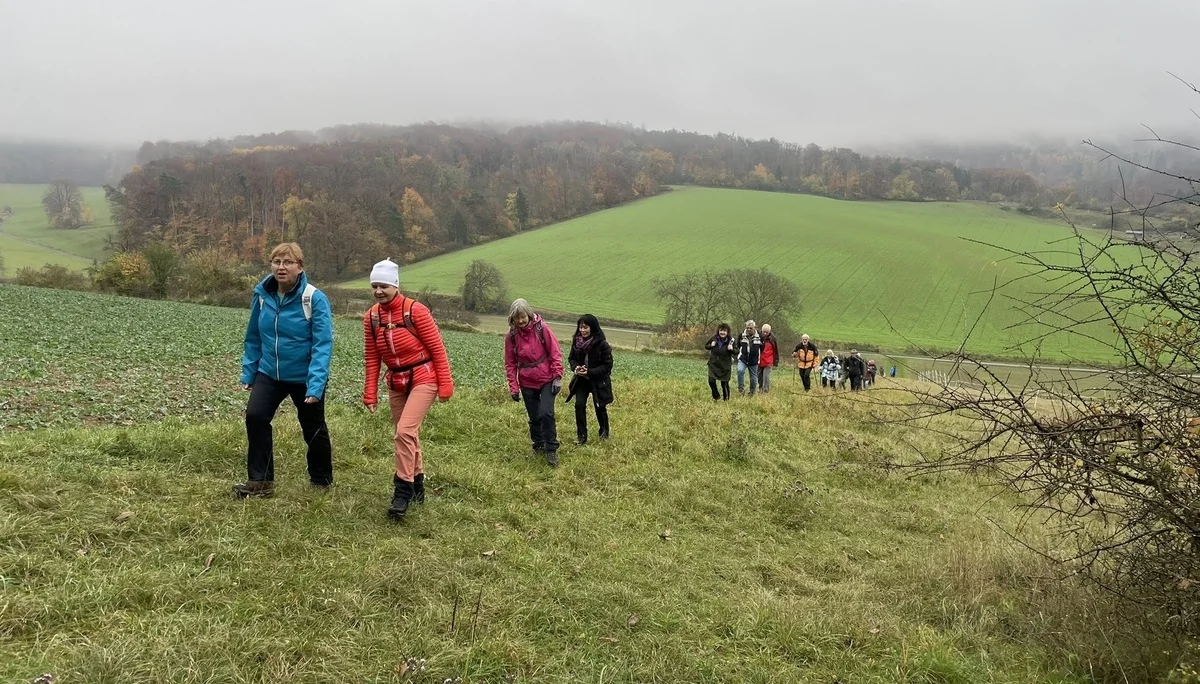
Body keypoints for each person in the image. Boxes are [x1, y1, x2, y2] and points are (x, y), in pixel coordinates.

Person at [235, 242, 334, 498]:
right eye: (277, 262)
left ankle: (321, 480)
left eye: (288, 262)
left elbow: (322, 344)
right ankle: (261, 481)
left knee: (312, 427)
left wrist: (315, 385)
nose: (281, 267)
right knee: (256, 417)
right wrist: (249, 372)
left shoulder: (313, 298)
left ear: (300, 268)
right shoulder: (262, 296)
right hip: (270, 373)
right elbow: (254, 336)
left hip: (304, 375)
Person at [362, 259, 455, 520]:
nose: (379, 291)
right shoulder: (371, 318)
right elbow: (372, 358)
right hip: (396, 381)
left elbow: (438, 348)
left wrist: (445, 384)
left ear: (395, 285)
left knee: (404, 431)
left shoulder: (415, 311)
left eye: (383, 286)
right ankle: (417, 487)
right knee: (407, 435)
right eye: (374, 286)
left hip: (424, 377)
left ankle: (402, 492)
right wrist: (370, 392)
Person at [504, 298, 564, 467]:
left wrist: (557, 376)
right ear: (512, 319)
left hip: (546, 378)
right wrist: (513, 387)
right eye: (517, 318)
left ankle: (551, 449)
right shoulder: (512, 336)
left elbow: (555, 352)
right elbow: (510, 363)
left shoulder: (542, 329)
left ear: (529, 315)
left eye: (523, 316)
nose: (521, 321)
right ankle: (538, 444)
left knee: (546, 413)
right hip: (526, 381)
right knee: (534, 416)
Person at [565, 314, 613, 444]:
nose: (582, 330)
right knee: (579, 405)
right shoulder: (576, 341)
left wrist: (590, 371)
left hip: (598, 381)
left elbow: (607, 366)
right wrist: (576, 368)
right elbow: (571, 359)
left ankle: (604, 433)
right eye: (580, 327)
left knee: (600, 407)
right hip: (581, 380)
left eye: (585, 327)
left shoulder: (602, 344)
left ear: (593, 328)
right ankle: (581, 437)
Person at [704, 323, 738, 401]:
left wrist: (732, 349)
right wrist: (711, 345)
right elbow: (706, 346)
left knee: (724, 384)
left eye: (724, 331)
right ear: (718, 331)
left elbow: (737, 351)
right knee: (711, 381)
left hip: (725, 366)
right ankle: (716, 396)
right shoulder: (714, 338)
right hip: (713, 364)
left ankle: (726, 400)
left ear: (727, 332)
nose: (722, 332)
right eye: (721, 330)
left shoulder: (731, 341)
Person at [736, 320, 763, 396]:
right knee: (740, 371)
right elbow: (738, 345)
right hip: (743, 358)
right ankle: (741, 389)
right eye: (747, 328)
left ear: (754, 328)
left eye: (750, 328)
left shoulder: (760, 336)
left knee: (753, 377)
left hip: (753, 360)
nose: (749, 330)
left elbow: (762, 347)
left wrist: (756, 355)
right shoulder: (741, 335)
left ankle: (752, 392)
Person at [758, 323, 780, 394]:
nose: (765, 333)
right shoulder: (758, 337)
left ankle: (765, 391)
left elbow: (775, 350)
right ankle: (760, 388)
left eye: (766, 332)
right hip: (759, 360)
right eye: (764, 332)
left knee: (766, 377)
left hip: (768, 361)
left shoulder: (773, 339)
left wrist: (776, 361)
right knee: (759, 376)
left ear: (769, 332)